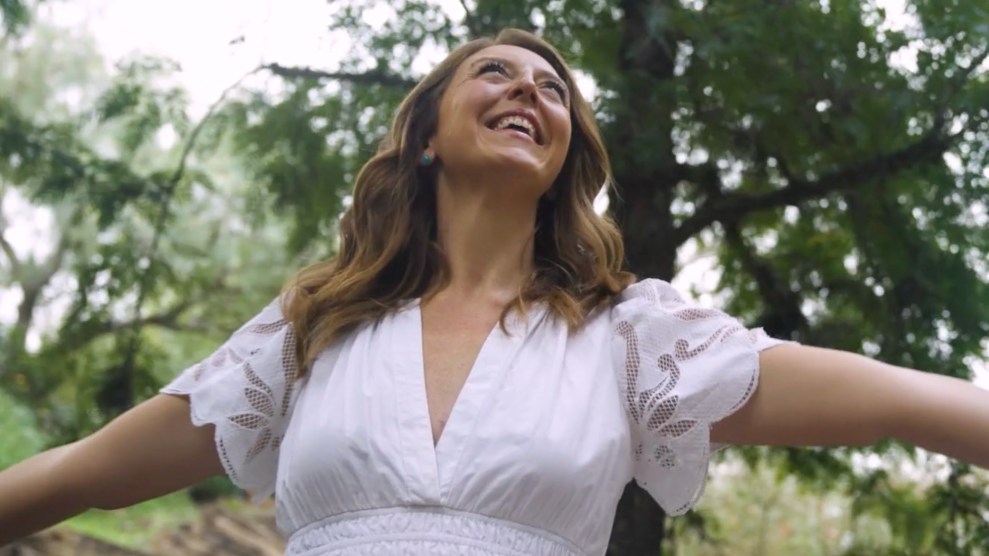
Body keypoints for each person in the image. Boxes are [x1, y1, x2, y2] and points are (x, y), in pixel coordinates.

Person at [1, 28, 988, 555]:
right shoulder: (313, 330)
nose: (528, 90)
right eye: (495, 73)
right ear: (426, 135)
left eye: (552, 89)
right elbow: (82, 471)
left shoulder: (628, 337)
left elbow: (890, 398)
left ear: (564, 158)